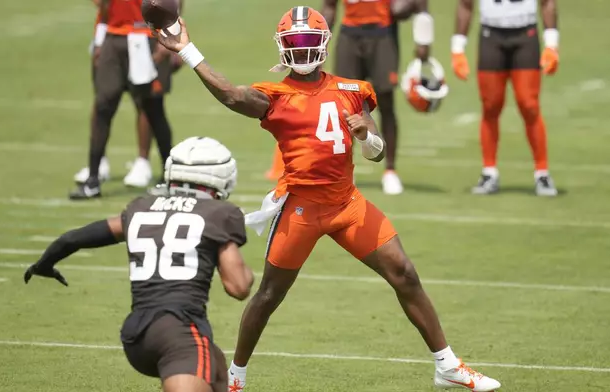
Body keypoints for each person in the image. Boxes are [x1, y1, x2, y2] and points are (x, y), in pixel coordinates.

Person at [154, 7, 501, 391]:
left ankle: (447, 365)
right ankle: (235, 377)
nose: (302, 53)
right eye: (294, 45)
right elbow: (232, 97)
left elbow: (378, 152)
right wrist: (188, 51)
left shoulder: (354, 90)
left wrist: (367, 136)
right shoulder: (275, 95)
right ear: (283, 49)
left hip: (347, 205)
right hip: (301, 209)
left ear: (323, 44)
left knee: (404, 273)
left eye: (308, 44)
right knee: (269, 295)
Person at [24, 136, 254, 392]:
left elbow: (74, 238)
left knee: (217, 368)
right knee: (203, 360)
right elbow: (239, 286)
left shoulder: (142, 207)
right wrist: (229, 237)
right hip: (179, 333)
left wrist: (44, 263)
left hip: (136, 334)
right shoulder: (219, 215)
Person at [318, 0, 434, 194]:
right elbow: (330, 6)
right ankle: (345, 169)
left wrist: (423, 40)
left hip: (383, 34)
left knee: (386, 102)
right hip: (349, 34)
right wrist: (320, 46)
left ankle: (390, 170)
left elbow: (419, 3)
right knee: (344, 105)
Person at [69, 0, 175, 200]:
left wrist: (169, 38)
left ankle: (169, 179)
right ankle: (93, 179)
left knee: (153, 108)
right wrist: (99, 40)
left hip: (147, 36)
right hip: (114, 36)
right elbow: (103, 5)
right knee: (103, 105)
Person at [452, 0, 559, 196]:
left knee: (529, 105)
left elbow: (547, 2)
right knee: (490, 105)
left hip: (525, 33)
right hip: (491, 35)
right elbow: (465, 4)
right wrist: (458, 47)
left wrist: (552, 43)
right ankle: (489, 171)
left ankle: (542, 173)